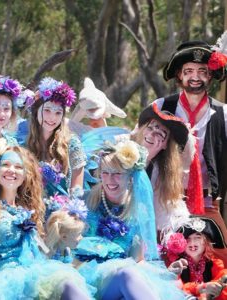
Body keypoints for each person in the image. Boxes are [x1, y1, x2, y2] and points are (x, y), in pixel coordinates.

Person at [0, 140, 92, 300]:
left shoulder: (28, 210)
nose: (11, 170)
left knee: (69, 283)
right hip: (1, 284)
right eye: (6, 164)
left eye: (18, 167)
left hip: (32, 273)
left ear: (25, 175)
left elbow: (40, 250)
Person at [74, 139, 186, 300]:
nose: (110, 179)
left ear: (131, 178)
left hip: (116, 282)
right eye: (105, 172)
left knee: (129, 274)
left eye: (117, 173)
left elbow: (138, 260)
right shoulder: (85, 201)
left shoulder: (138, 211)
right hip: (84, 278)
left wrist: (164, 273)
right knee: (126, 273)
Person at [152, 40, 227, 264]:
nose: (195, 76)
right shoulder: (160, 107)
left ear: (210, 76)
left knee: (221, 261)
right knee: (164, 261)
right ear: (179, 76)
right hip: (167, 201)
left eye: (202, 71)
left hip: (208, 202)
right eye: (189, 71)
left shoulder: (223, 114)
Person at [132, 103, 192, 233]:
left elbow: (170, 209)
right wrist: (146, 157)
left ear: (165, 145)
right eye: (151, 127)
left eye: (161, 133)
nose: (153, 133)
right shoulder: (122, 148)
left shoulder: (161, 172)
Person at [26, 77, 86, 198]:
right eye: (47, 110)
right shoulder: (25, 143)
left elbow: (77, 192)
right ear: (36, 111)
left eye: (58, 112)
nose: (52, 118)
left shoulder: (72, 144)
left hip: (62, 213)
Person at [165, 217, 227, 300]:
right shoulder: (177, 264)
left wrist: (214, 288)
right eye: (187, 239)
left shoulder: (215, 263)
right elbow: (174, 289)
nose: (192, 242)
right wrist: (200, 288)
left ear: (206, 242)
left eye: (198, 237)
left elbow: (221, 286)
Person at [45, 197, 88, 264]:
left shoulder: (66, 250)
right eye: (79, 234)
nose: (81, 238)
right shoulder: (48, 254)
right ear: (64, 237)